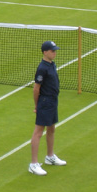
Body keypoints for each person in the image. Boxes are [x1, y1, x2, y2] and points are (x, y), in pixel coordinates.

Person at [29, 40, 67, 176]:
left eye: (55, 50)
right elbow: (36, 89)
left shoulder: (51, 64)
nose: (54, 53)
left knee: (51, 128)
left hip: (52, 101)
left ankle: (50, 157)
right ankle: (33, 164)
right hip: (45, 102)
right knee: (38, 132)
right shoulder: (42, 68)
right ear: (45, 52)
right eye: (52, 51)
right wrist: (37, 105)